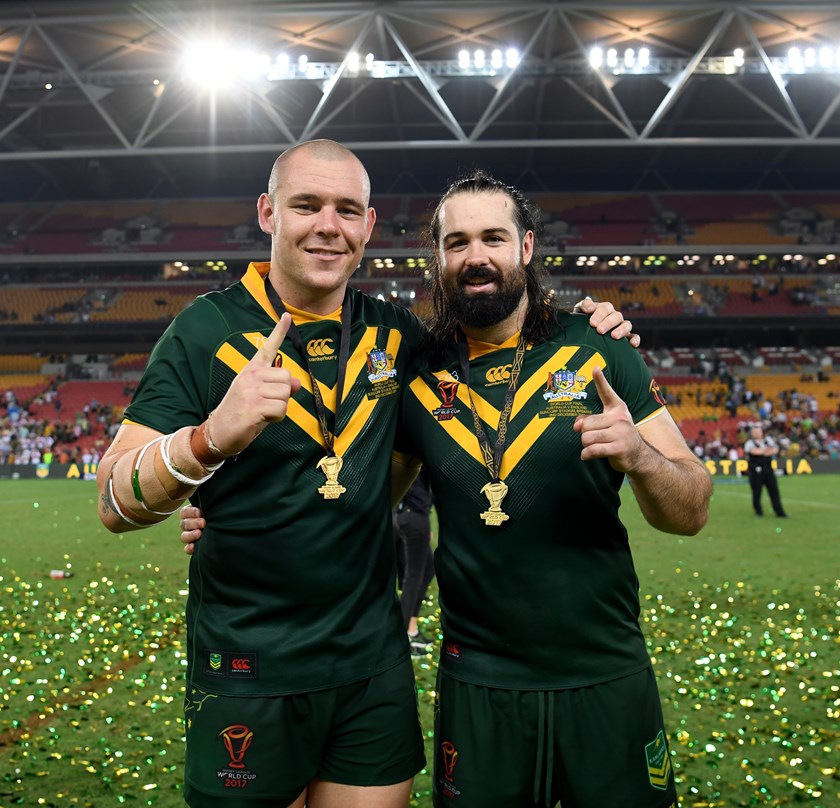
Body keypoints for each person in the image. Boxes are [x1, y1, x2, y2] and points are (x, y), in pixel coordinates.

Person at [98, 139, 636, 808]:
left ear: (368, 226)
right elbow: (114, 502)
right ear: (268, 213)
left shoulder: (397, 336)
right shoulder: (203, 332)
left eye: (347, 209)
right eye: (307, 205)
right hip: (250, 667)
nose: (329, 225)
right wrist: (209, 442)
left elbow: (499, 345)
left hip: (371, 667)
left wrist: (597, 325)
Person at [390, 171, 712, 807]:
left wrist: (641, 456)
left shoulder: (598, 347)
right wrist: (230, 518)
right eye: (457, 243)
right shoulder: (417, 374)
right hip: (479, 685)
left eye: (493, 238)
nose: (475, 257)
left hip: (605, 673)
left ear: (527, 247)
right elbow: (358, 504)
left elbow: (692, 508)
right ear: (438, 258)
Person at [393, 467, 436, 655]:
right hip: (414, 516)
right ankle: (401, 641)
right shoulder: (413, 451)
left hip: (407, 515)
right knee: (413, 577)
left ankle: (411, 628)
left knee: (427, 571)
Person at [743, 424, 788, 517]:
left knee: (774, 491)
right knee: (756, 492)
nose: (756, 433)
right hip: (755, 471)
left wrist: (762, 451)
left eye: (758, 432)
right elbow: (754, 451)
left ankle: (779, 511)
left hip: (768, 470)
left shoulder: (768, 440)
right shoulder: (749, 443)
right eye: (754, 432)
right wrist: (766, 451)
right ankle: (758, 511)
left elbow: (775, 450)